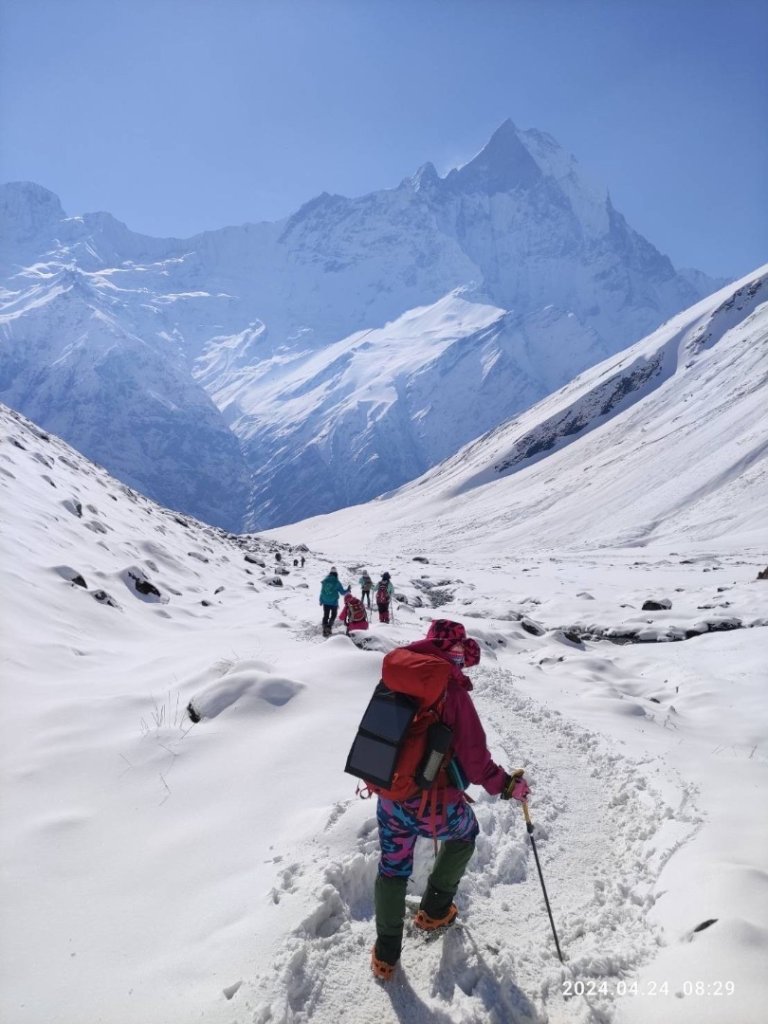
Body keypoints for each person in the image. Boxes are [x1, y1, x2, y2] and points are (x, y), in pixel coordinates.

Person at [371, 619, 530, 981]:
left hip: (390, 797)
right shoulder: (453, 694)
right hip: (432, 804)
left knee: (392, 867)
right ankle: (435, 911)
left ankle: (385, 955)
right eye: (460, 651)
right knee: (465, 833)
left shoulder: (398, 675)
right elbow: (476, 763)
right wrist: (508, 786)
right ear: (456, 653)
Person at [319, 568, 349, 637]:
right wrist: (348, 590)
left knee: (326, 615)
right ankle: (329, 627)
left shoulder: (325, 581)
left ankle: (325, 629)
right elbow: (342, 593)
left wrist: (321, 600)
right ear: (336, 574)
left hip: (325, 602)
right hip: (334, 602)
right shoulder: (337, 582)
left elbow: (322, 592)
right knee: (333, 615)